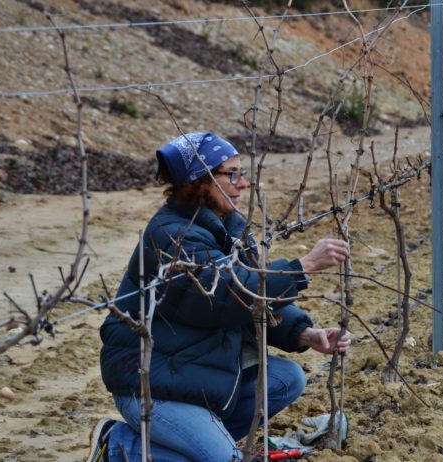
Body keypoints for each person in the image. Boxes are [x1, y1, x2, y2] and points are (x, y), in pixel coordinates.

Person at [88, 132, 351, 462]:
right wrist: (304, 267)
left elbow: (249, 304)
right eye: (232, 174)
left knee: (288, 378)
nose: (243, 185)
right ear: (198, 181)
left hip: (193, 370)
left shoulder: (229, 228)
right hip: (151, 384)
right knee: (226, 459)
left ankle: (196, 442)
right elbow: (226, 298)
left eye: (242, 174)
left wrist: (303, 333)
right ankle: (119, 445)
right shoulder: (172, 236)